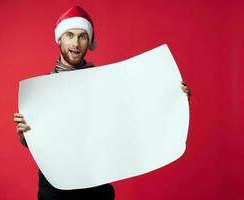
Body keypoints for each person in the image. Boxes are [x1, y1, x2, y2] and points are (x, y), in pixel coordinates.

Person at [13, 5, 191, 200]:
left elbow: (135, 113)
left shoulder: (105, 85)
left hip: (96, 188)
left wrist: (173, 96)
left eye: (82, 36)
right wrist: (25, 134)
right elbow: (43, 145)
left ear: (89, 41)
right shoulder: (40, 92)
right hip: (56, 190)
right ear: (60, 39)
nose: (76, 43)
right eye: (70, 35)